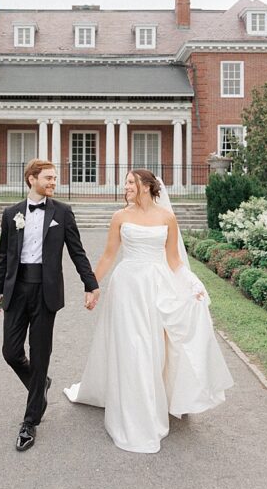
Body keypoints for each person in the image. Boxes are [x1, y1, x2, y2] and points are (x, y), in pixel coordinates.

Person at [63, 169, 234, 453]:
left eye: (131, 182)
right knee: (132, 347)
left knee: (154, 348)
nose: (126, 186)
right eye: (126, 182)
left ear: (145, 186)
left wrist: (192, 283)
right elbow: (108, 255)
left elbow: (175, 260)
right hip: (127, 288)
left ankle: (154, 402)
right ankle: (133, 412)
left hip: (157, 288)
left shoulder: (167, 218)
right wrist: (91, 286)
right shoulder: (120, 217)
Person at [0, 158, 99, 452]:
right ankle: (41, 385)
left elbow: (77, 251)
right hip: (16, 290)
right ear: (31, 179)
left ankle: (30, 422)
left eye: (54, 178)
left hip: (45, 292)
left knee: (40, 354)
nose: (53, 182)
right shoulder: (11, 214)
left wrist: (90, 284)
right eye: (48, 178)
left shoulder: (62, 213)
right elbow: (4, 259)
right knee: (11, 352)